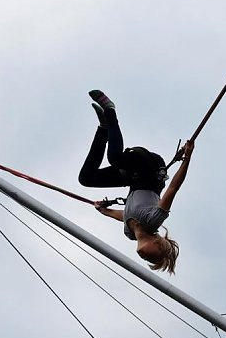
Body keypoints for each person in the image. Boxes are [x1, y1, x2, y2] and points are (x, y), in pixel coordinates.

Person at [78, 90, 194, 274]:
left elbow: (123, 215)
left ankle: (103, 128)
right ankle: (110, 111)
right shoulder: (153, 221)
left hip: (132, 177)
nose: (146, 258)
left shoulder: (130, 233)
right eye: (153, 257)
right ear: (157, 243)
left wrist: (104, 210)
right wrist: (187, 157)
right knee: (115, 157)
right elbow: (173, 188)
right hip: (151, 168)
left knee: (86, 179)